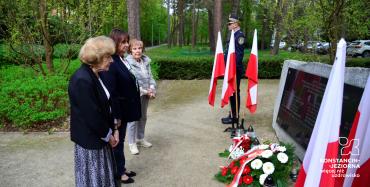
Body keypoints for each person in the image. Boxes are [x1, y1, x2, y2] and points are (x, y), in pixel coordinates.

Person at [68, 36, 119, 187]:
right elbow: (92, 116)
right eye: (108, 57)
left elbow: (106, 105)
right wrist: (109, 135)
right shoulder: (82, 79)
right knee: (94, 180)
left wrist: (114, 128)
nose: (112, 60)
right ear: (96, 58)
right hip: (90, 141)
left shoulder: (96, 74)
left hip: (100, 138)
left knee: (102, 178)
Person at [100, 29, 141, 184]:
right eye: (122, 42)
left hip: (125, 108)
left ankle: (121, 167)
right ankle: (119, 172)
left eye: (126, 42)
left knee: (121, 140)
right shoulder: (111, 62)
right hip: (118, 111)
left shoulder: (121, 59)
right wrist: (116, 117)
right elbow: (112, 92)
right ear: (114, 43)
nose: (126, 45)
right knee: (117, 142)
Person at [126, 39, 156, 155]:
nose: (137, 51)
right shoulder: (128, 62)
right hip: (135, 95)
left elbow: (150, 76)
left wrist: (152, 88)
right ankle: (132, 143)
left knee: (143, 117)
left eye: (139, 48)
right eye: (134, 48)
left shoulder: (145, 61)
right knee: (133, 119)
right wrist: (145, 91)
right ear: (130, 50)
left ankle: (140, 138)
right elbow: (133, 81)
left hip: (146, 94)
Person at [221, 14, 246, 124]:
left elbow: (239, 56)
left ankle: (235, 117)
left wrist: (233, 70)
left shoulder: (239, 36)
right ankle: (232, 114)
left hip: (235, 70)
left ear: (236, 24)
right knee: (231, 92)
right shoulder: (233, 35)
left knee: (234, 92)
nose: (228, 25)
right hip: (230, 69)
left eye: (230, 24)